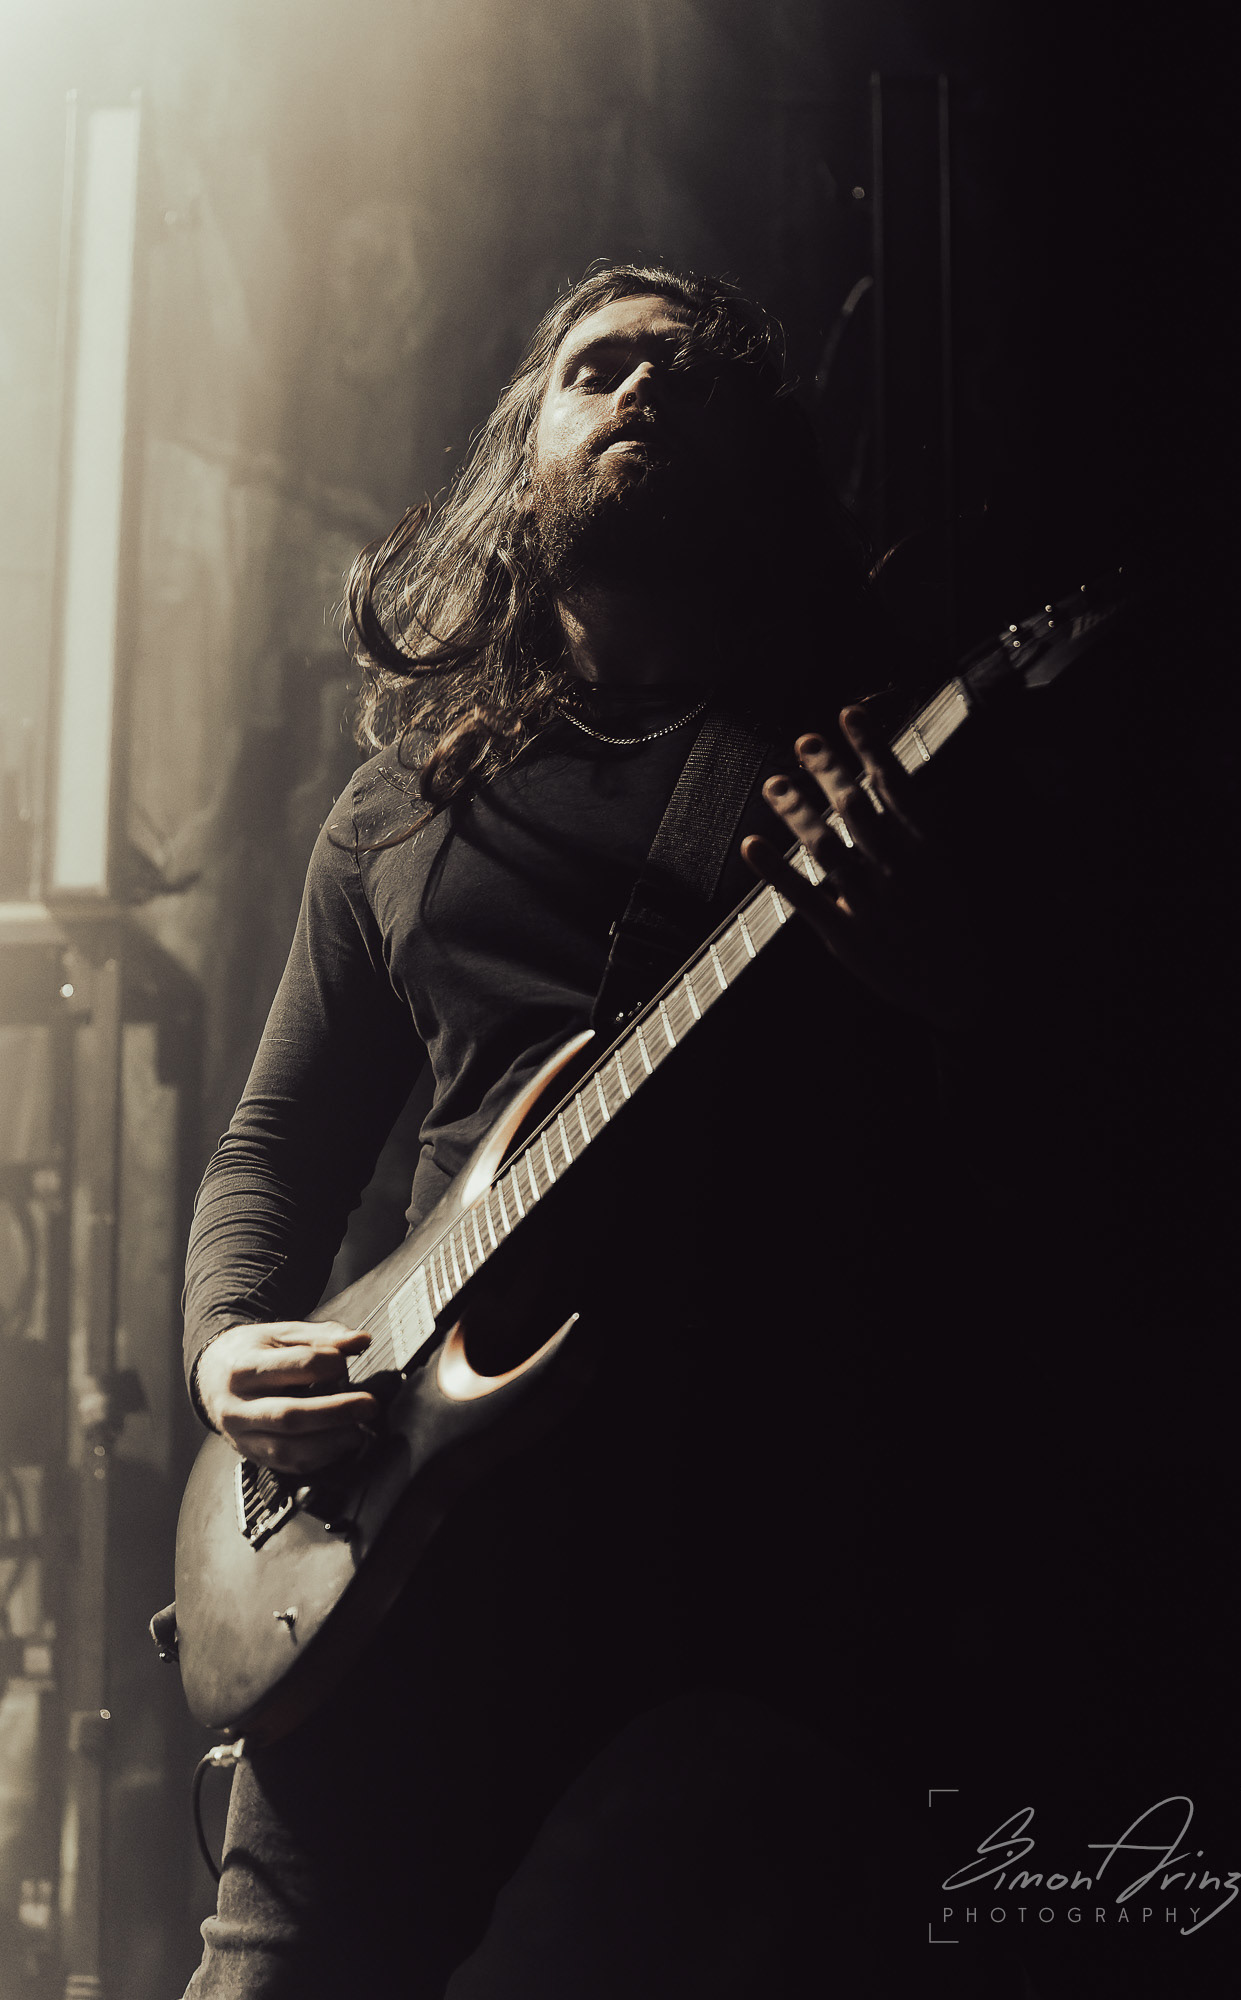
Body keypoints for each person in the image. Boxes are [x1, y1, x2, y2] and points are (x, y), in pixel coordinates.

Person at [181, 264, 979, 1998]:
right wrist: (232, 1347)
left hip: (741, 1562)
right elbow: (270, 1152)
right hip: (399, 1550)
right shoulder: (400, 804)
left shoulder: (866, 756)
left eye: (686, 378)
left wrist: (947, 976)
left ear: (756, 458)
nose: (637, 393)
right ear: (521, 447)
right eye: (596, 367)